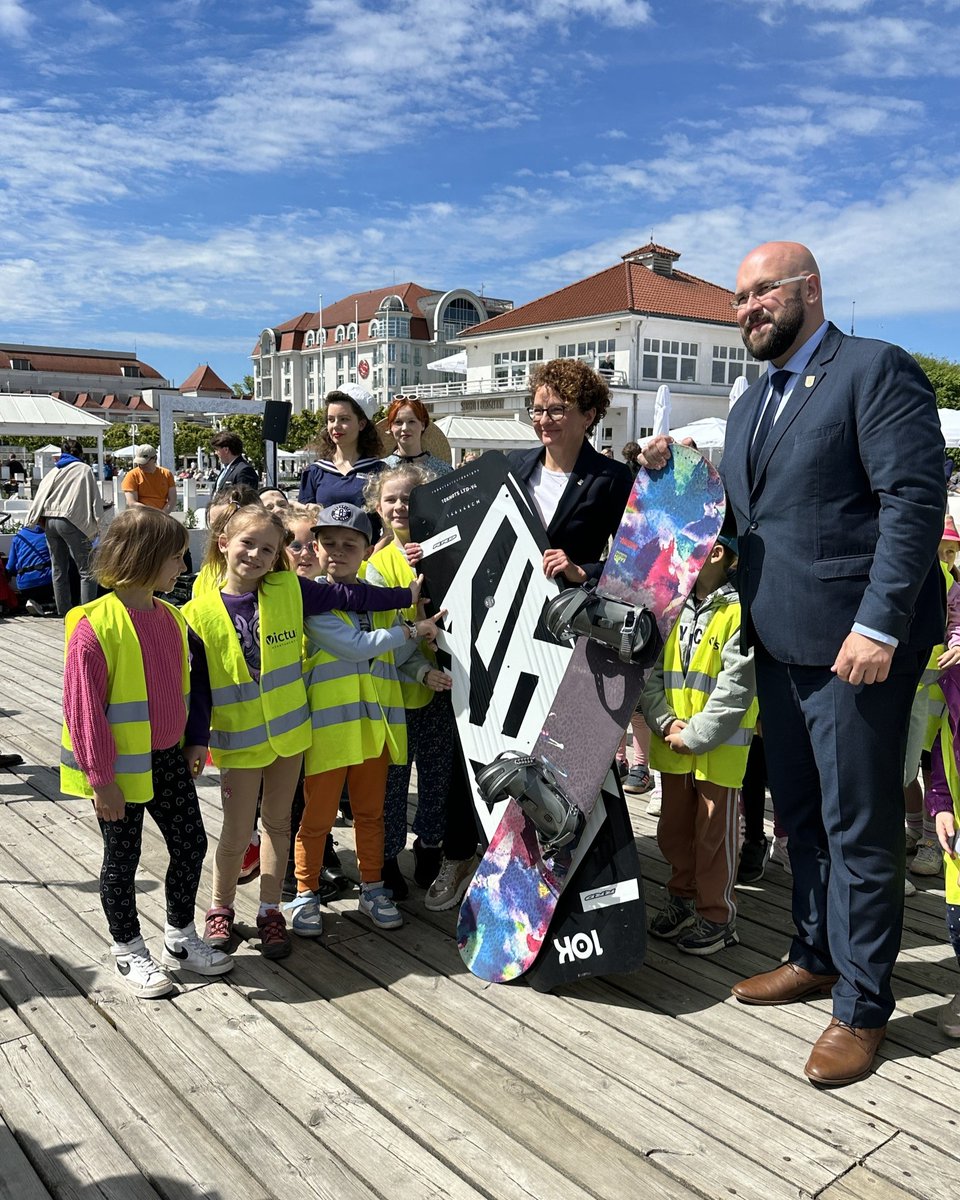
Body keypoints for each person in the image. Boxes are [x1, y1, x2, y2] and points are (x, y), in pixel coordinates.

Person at [720, 240, 946, 1086]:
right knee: (801, 818)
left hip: (858, 651)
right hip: (776, 644)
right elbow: (748, 525)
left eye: (760, 292)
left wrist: (881, 627)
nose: (747, 308)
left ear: (808, 289)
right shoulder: (748, 406)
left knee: (860, 828)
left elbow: (914, 501)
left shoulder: (876, 370)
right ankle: (813, 952)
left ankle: (861, 1003)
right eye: (737, 298)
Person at [182, 502, 417, 959]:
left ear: (278, 557)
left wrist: (404, 597)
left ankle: (271, 910)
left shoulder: (290, 590)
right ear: (224, 543)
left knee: (278, 825)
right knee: (235, 833)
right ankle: (220, 908)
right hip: (239, 740)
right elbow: (200, 686)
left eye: (267, 549)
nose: (255, 555)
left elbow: (352, 598)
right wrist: (196, 737)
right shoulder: (198, 611)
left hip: (290, 737)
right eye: (247, 544)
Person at [60, 507, 233, 998]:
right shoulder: (93, 626)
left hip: (168, 758)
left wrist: (196, 738)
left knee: (191, 844)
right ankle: (128, 948)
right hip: (116, 770)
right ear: (146, 558)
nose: (183, 568)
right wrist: (101, 780)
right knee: (123, 857)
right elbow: (83, 709)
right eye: (176, 558)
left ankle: (179, 938)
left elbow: (192, 685)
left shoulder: (173, 617)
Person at [286, 503, 445, 936]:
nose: (337, 552)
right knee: (317, 817)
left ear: (366, 550)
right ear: (316, 549)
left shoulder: (378, 601)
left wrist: (422, 671)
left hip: (376, 730)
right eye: (329, 543)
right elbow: (358, 646)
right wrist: (414, 629)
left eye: (349, 544)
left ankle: (373, 886)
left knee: (372, 815)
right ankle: (305, 890)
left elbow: (397, 655)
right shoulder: (313, 599)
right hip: (330, 733)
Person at [642, 526, 758, 955]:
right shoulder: (670, 607)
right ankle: (681, 897)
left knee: (714, 836)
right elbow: (650, 673)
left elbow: (737, 687)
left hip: (717, 751)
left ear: (716, 553)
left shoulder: (740, 611)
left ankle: (717, 916)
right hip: (674, 747)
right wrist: (667, 724)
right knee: (673, 830)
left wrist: (697, 735)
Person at [364, 464, 454, 900]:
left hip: (444, 688)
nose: (400, 507)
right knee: (393, 781)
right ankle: (386, 856)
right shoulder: (376, 568)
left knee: (438, 773)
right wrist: (421, 666)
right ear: (377, 509)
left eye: (409, 498)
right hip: (396, 690)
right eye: (391, 500)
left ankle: (430, 845)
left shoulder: (445, 546)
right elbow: (384, 639)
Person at [26, 439, 103, 615]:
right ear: (81, 454)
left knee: (59, 569)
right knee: (87, 571)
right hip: (71, 520)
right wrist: (99, 525)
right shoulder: (84, 469)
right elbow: (94, 500)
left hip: (50, 521)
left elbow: (41, 496)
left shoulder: (54, 470)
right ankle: (87, 613)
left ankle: (64, 611)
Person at [298, 384, 386, 508]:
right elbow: (303, 522)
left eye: (344, 419)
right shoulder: (315, 471)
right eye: (331, 419)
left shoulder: (379, 471)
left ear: (361, 424)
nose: (335, 426)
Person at [380, 397, 453, 479]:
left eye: (411, 422)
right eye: (398, 422)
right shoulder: (380, 469)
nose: (405, 428)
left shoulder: (443, 471)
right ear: (391, 427)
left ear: (423, 425)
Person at [5, 522, 54, 614]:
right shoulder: (48, 535)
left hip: (24, 585)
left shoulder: (19, 536)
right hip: (46, 582)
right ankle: (52, 605)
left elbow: (10, 566)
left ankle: (36, 603)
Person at [122, 445, 177, 513]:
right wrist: (153, 514)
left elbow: (172, 500)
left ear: (154, 459)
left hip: (163, 515)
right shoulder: (132, 475)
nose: (141, 465)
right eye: (139, 462)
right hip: (140, 515)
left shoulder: (167, 474)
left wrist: (163, 514)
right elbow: (132, 503)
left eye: (144, 462)